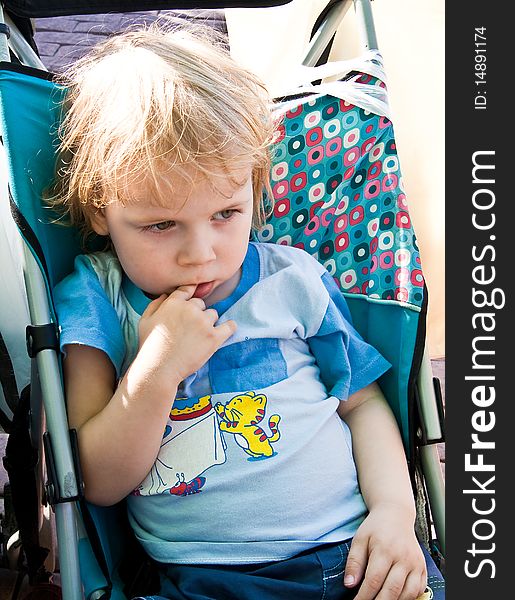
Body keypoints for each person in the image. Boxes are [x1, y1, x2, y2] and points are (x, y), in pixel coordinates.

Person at [50, 20, 429, 600]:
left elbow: (362, 404)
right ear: (100, 210)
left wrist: (396, 515)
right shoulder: (96, 297)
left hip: (349, 554)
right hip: (203, 580)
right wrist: (157, 369)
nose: (200, 255)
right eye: (159, 225)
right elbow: (95, 481)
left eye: (226, 213)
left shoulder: (292, 278)